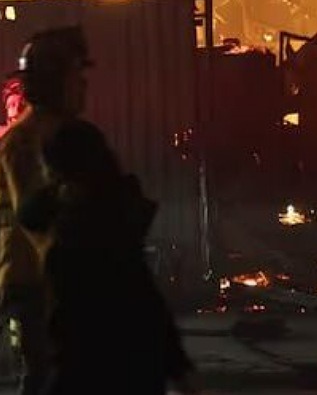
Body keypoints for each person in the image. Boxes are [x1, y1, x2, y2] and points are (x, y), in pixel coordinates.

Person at [18, 119, 195, 395]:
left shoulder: (87, 232)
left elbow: (145, 303)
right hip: (132, 368)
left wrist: (179, 369)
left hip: (99, 368)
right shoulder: (110, 215)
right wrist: (178, 369)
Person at [0, 27, 92, 395]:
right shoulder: (24, 141)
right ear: (52, 83)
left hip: (55, 279)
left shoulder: (72, 136)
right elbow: (37, 221)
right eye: (75, 76)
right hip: (35, 281)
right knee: (46, 375)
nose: (83, 85)